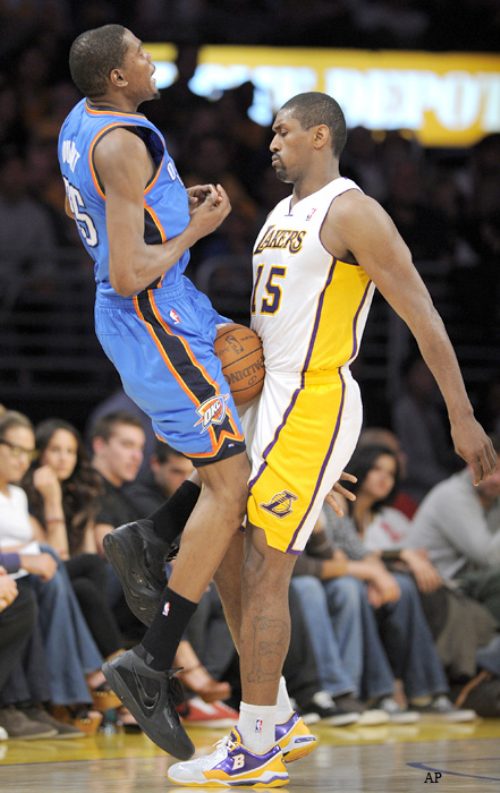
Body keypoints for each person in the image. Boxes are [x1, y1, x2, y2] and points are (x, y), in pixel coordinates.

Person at [104, 90, 495, 786]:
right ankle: (275, 714)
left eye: (283, 131)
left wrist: (461, 416)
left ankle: (256, 742)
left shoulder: (354, 211)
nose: (272, 143)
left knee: (265, 568)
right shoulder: (280, 214)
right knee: (222, 547)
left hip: (314, 398)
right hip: (269, 401)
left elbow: (422, 313)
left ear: (320, 135)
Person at [409, 434, 500, 623]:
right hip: (437, 589)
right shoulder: (452, 495)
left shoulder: (492, 497)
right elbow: (489, 557)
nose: (497, 479)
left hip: (467, 586)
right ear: (471, 464)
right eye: (492, 469)